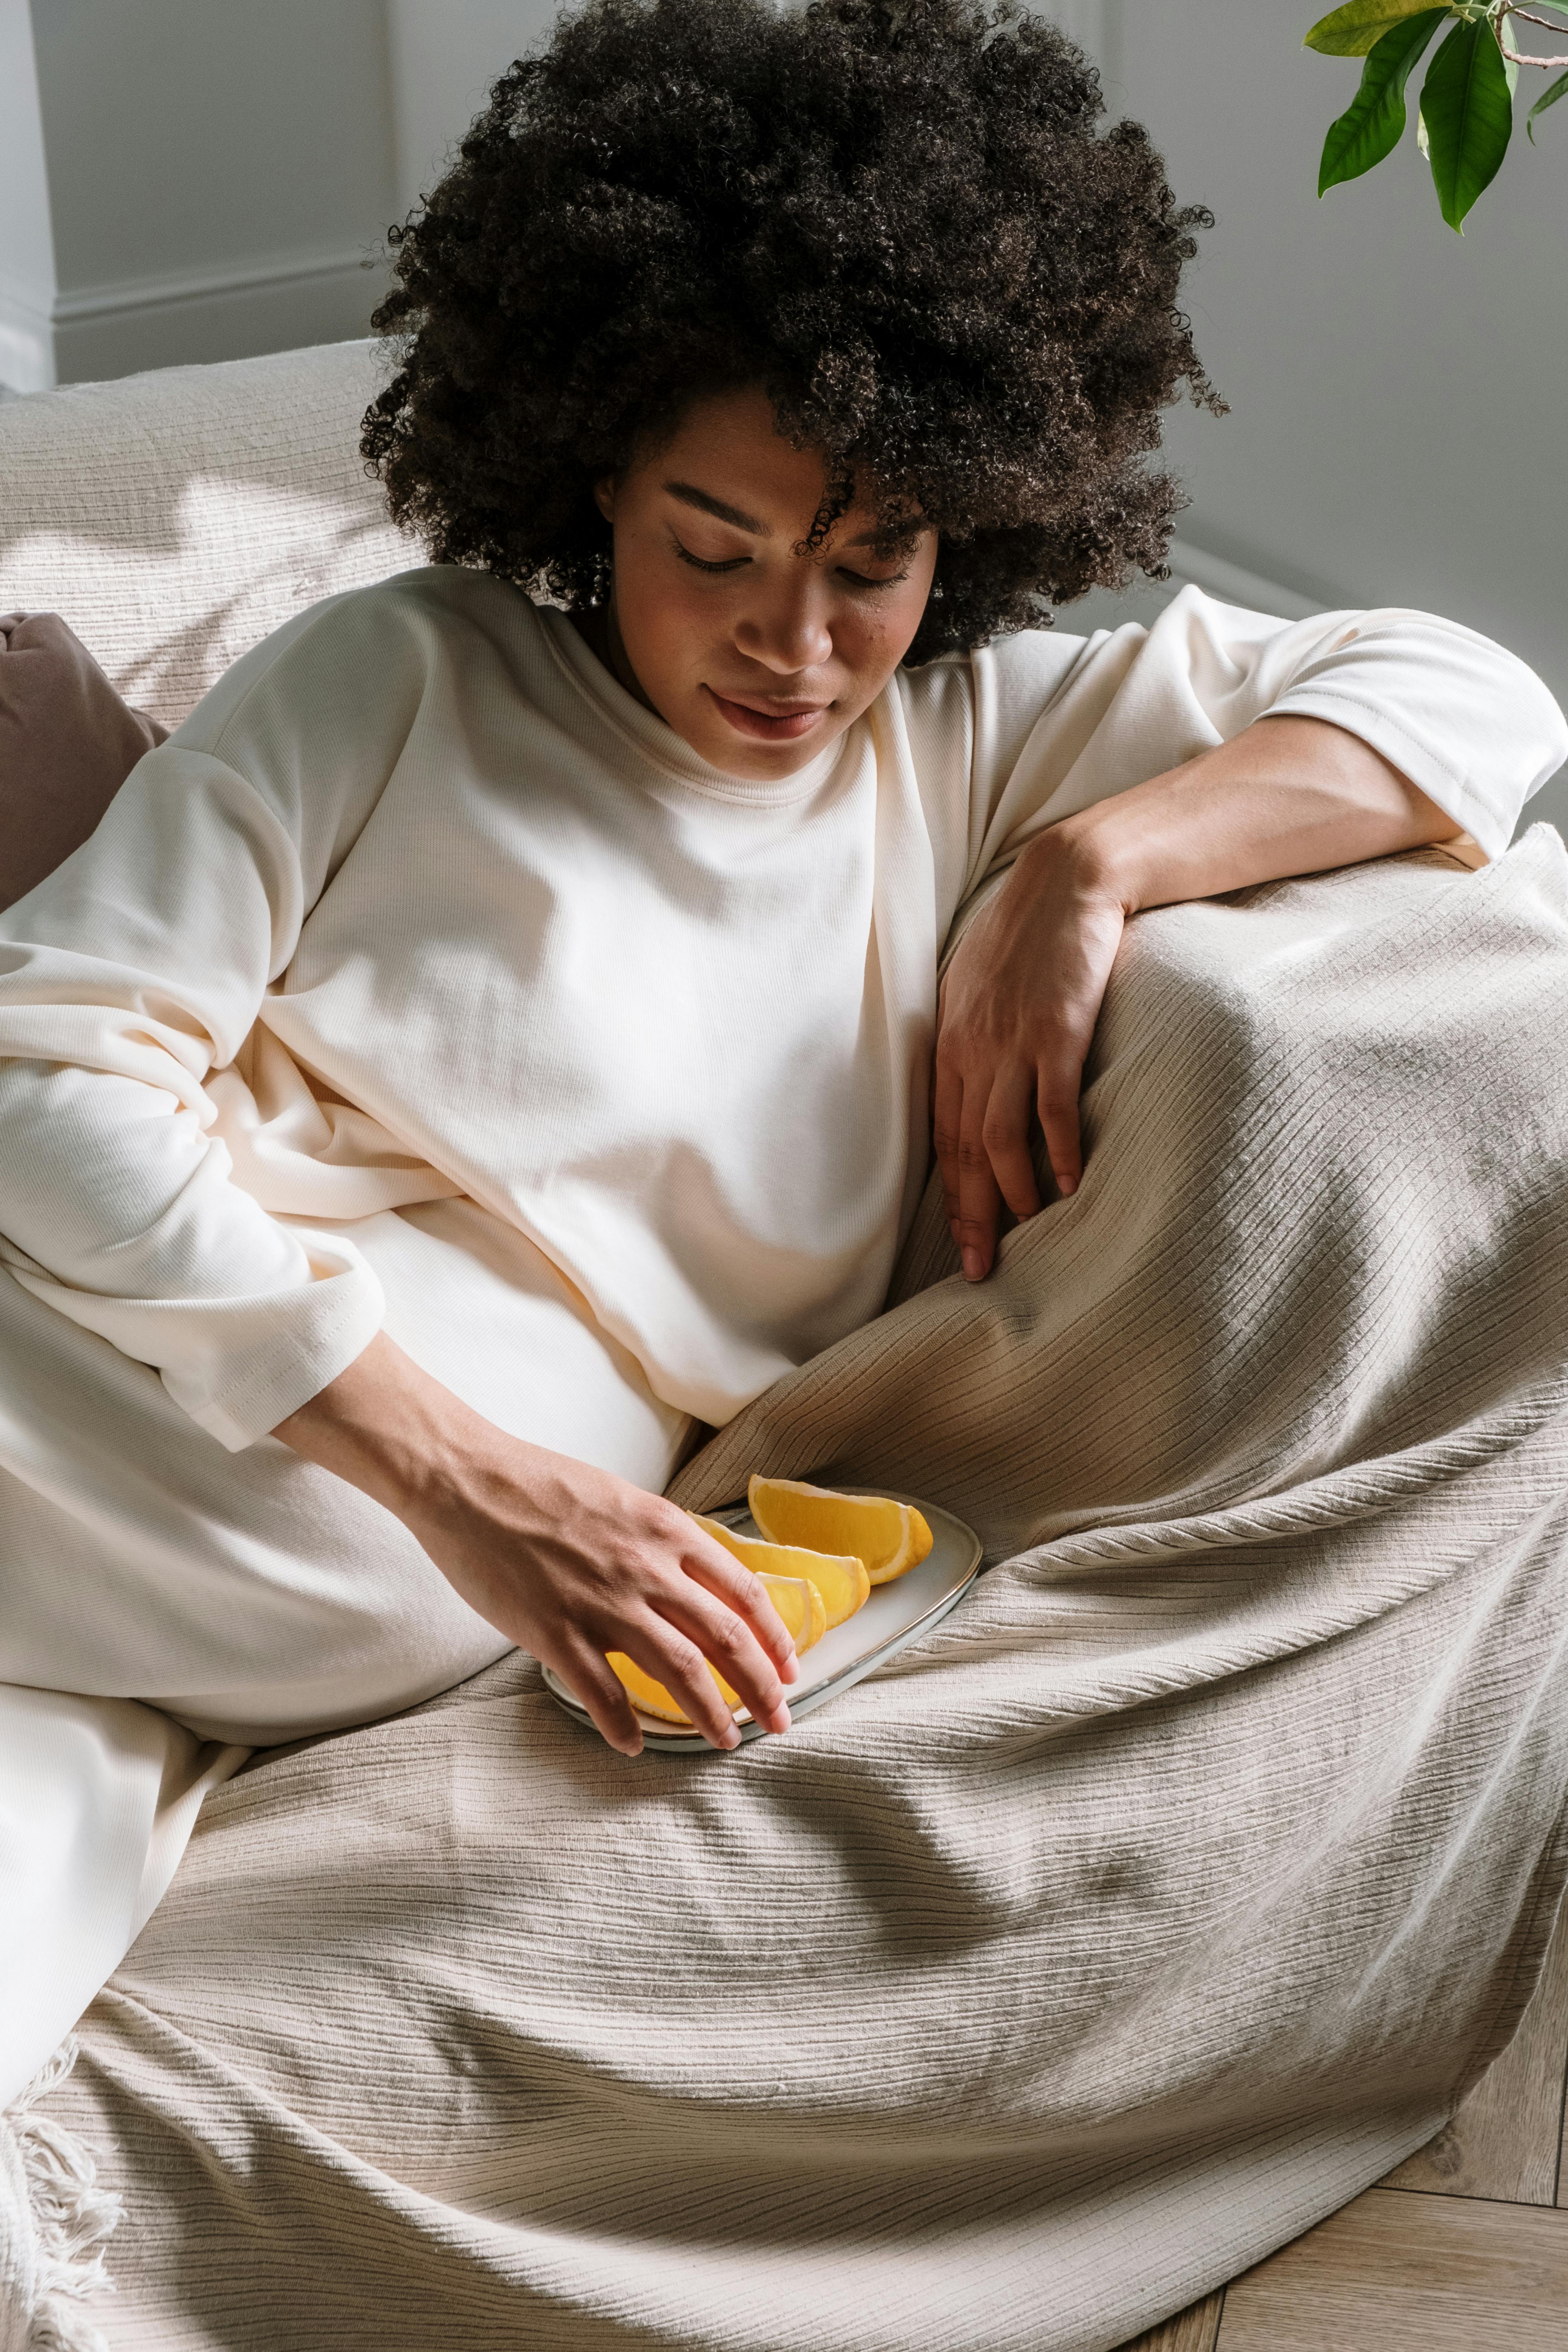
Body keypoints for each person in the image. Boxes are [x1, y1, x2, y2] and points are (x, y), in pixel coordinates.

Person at [0, 0, 1562, 2096]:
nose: (793, 647)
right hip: (123, 1384)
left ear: (974, 522)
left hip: (247, 1579)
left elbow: (1474, 695)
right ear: (584, 477)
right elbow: (46, 1073)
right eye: (710, 549)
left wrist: (1089, 871)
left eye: (873, 565)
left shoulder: (982, 747)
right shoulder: (401, 675)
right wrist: (468, 1488)